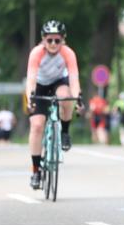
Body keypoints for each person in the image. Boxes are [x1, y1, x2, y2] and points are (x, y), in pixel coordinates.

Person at [25, 20, 82, 189]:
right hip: (40, 86)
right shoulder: (36, 53)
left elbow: (74, 80)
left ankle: (64, 131)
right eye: (49, 40)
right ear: (43, 39)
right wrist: (30, 99)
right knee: (36, 125)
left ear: (63, 40)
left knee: (66, 96)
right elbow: (30, 80)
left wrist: (77, 98)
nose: (53, 44)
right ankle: (36, 170)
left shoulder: (68, 53)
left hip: (59, 82)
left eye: (57, 40)